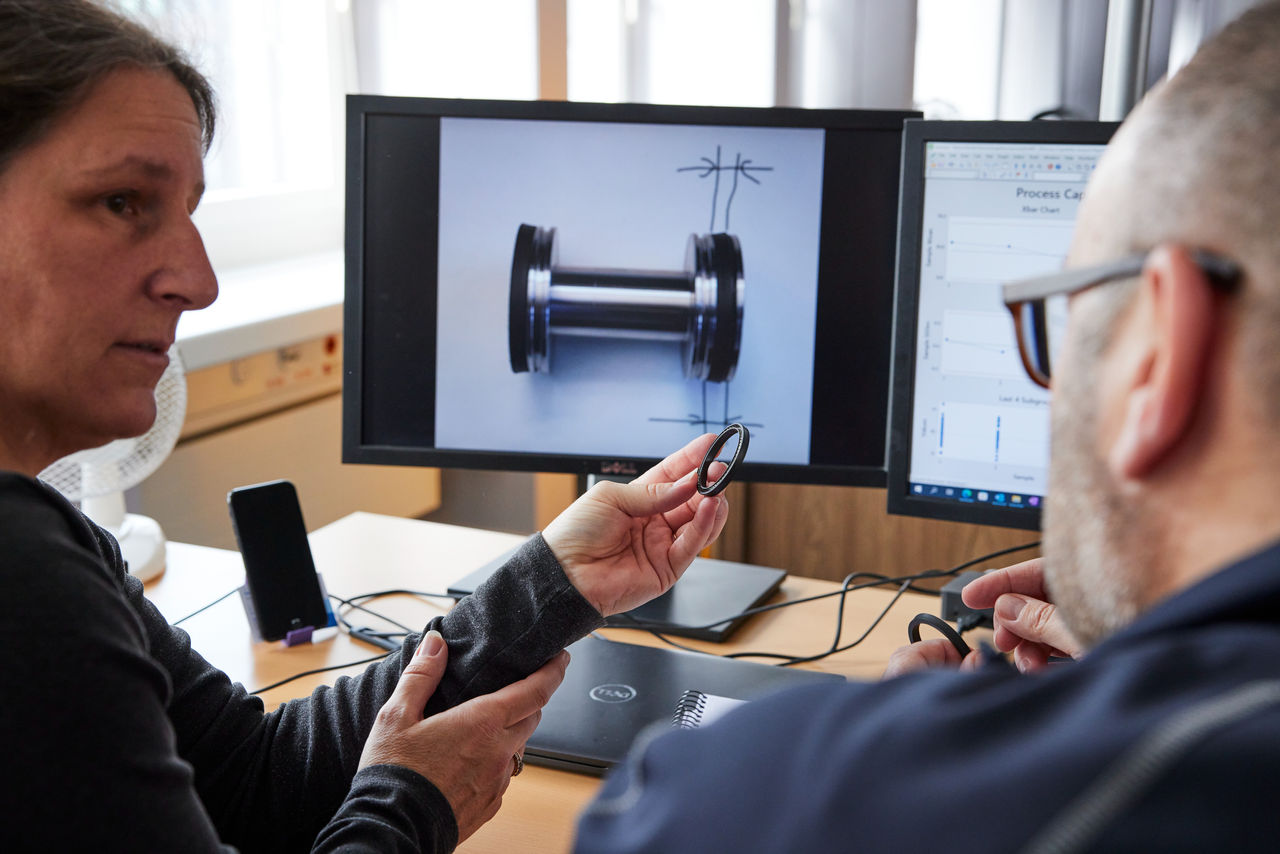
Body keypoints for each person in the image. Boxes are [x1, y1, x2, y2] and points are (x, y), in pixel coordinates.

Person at [0, 2, 728, 851]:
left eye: (189, 211)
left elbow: (249, 777)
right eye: (122, 202)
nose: (199, 282)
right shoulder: (21, 573)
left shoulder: (53, 540)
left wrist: (553, 582)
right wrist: (412, 805)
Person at [574, 3, 1280, 851]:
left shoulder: (776, 797)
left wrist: (901, 749)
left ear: (1161, 355)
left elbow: (645, 821)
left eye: (1065, 316)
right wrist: (1145, 666)